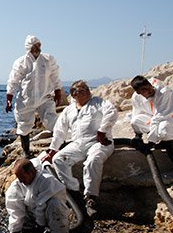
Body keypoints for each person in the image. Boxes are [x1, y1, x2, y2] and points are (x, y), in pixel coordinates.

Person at [42, 80, 117, 217]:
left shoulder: (99, 102)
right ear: (74, 95)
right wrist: (53, 150)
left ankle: (91, 198)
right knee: (59, 159)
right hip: (78, 143)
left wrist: (102, 131)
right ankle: (74, 192)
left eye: (87, 89)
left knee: (92, 161)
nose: (87, 92)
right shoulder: (69, 110)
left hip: (99, 141)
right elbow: (60, 131)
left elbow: (111, 112)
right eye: (82, 91)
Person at [6, 34, 64, 157]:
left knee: (52, 121)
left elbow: (55, 76)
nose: (37, 48)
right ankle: (26, 152)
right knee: (24, 125)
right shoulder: (21, 62)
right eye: (34, 46)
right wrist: (9, 98)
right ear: (28, 48)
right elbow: (13, 80)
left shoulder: (48, 60)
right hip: (26, 99)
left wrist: (58, 92)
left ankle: (60, 146)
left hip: (45, 97)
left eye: (38, 45)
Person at [129, 75, 173, 175]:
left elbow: (160, 117)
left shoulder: (165, 93)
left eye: (149, 86)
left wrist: (150, 142)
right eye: (144, 90)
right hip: (159, 120)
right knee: (135, 121)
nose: (149, 90)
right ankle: (164, 142)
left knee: (164, 127)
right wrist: (138, 136)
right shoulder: (136, 98)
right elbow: (137, 114)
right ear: (138, 93)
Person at [5, 158, 75, 233]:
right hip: (32, 216)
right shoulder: (17, 186)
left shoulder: (46, 181)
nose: (20, 180)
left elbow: (41, 205)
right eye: (18, 177)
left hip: (49, 214)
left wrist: (40, 226)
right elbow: (15, 211)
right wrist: (14, 232)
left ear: (31, 172)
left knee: (55, 205)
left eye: (22, 177)